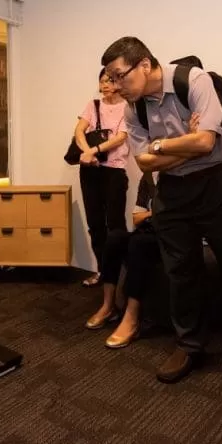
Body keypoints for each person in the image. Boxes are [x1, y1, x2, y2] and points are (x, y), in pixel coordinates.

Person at [100, 36, 222, 383]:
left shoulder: (195, 80)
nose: (116, 85)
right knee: (180, 270)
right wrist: (183, 144)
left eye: (120, 76)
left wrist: (167, 146)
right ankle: (189, 344)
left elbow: (207, 142)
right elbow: (146, 162)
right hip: (173, 191)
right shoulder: (132, 108)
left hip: (219, 185)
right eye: (111, 78)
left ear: (144, 64)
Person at [87, 167, 163, 348]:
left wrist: (150, 215)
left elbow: (175, 216)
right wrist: (156, 214)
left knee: (139, 244)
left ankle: (132, 318)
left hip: (168, 236)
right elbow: (136, 218)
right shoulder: (148, 179)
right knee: (114, 237)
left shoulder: (179, 177)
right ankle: (108, 306)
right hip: (148, 230)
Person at [73, 68, 130, 288]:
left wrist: (93, 151)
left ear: (119, 82)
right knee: (95, 223)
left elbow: (121, 138)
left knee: (115, 224)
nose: (105, 84)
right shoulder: (93, 105)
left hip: (114, 170)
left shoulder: (128, 107)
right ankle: (102, 271)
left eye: (110, 80)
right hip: (90, 171)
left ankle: (123, 275)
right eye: (102, 80)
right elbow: (79, 131)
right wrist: (87, 152)